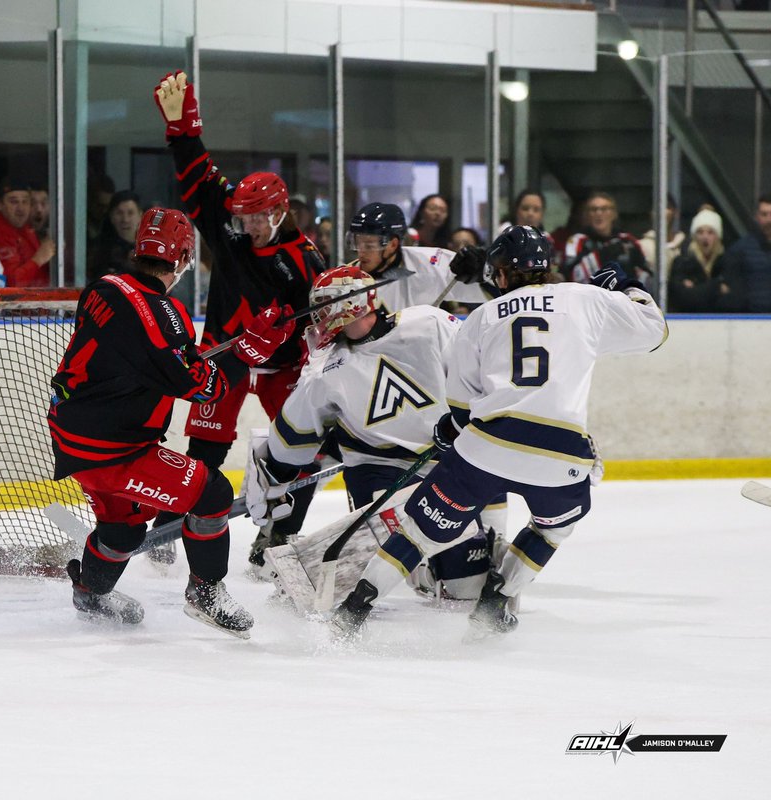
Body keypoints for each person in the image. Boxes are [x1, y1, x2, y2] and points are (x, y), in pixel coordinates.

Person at [328, 226, 667, 638]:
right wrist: (624, 287)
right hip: (560, 456)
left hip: (486, 448)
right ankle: (496, 600)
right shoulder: (585, 297)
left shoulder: (482, 317)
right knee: (553, 526)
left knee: (417, 533)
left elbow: (461, 406)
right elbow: (654, 330)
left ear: (500, 274)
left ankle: (354, 607)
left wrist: (447, 432)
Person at [48, 207, 297, 636]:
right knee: (213, 492)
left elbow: (143, 355)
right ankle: (205, 592)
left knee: (123, 532)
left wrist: (221, 351)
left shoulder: (101, 287)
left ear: (137, 250)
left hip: (71, 435)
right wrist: (250, 352)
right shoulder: (169, 316)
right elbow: (202, 388)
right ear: (183, 260)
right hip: (113, 450)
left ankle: (90, 591)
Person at [150, 70, 326, 565]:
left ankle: (281, 533)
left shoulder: (305, 259)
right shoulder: (230, 229)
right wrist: (183, 129)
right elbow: (201, 179)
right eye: (240, 217)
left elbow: (316, 324)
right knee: (204, 446)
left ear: (279, 211)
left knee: (300, 449)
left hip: (281, 370)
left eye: (254, 218)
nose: (244, 225)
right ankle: (168, 524)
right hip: (226, 361)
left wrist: (285, 330)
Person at [243, 265, 503, 598]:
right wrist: (275, 475)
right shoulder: (326, 367)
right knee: (388, 554)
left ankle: (432, 569)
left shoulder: (429, 324)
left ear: (348, 305)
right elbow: (294, 432)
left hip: (444, 463)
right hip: (377, 470)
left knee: (468, 588)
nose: (319, 318)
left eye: (324, 307)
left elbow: (478, 372)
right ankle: (411, 563)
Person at [344, 202, 492, 312]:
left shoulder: (430, 263)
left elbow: (497, 292)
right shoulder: (343, 280)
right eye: (357, 244)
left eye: (369, 246)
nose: (361, 252)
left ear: (393, 244)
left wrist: (483, 273)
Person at [0, 179, 55, 287]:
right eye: (14, 202)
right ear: (0, 204)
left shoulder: (25, 228)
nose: (21, 208)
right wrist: (39, 259)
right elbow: (11, 283)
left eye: (25, 201)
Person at [564, 190, 649, 285]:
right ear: (587, 215)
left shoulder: (628, 240)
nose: (599, 213)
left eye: (604, 209)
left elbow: (646, 274)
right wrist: (605, 253)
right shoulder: (577, 241)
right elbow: (572, 276)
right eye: (593, 209)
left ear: (614, 214)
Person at [668, 208, 737, 313]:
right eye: (700, 232)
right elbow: (683, 300)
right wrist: (717, 286)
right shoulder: (681, 263)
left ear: (718, 236)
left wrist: (696, 290)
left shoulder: (728, 263)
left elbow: (732, 302)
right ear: (694, 236)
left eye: (710, 232)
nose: (705, 237)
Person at [720, 194, 771, 313]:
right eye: (764, 214)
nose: (769, 220)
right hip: (750, 322)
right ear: (757, 217)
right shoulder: (740, 250)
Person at [87, 190, 143, 281]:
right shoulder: (99, 249)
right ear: (111, 216)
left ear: (140, 215)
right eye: (119, 213)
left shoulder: (150, 247)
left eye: (130, 213)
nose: (125, 219)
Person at [639, 195, 685, 267]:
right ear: (651, 214)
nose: (662, 213)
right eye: (657, 208)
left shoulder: (684, 245)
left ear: (676, 213)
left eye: (667, 207)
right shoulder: (642, 246)